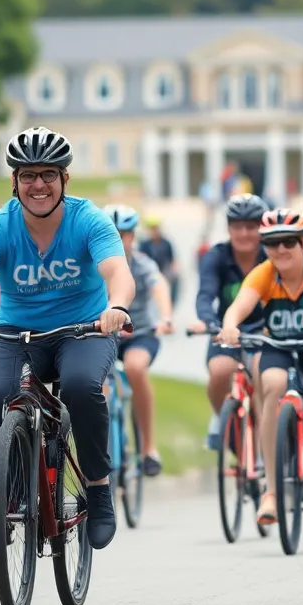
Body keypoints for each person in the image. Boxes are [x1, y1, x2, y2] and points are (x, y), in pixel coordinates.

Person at [0, 127, 135, 549]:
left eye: (48, 174)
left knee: (80, 386)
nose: (38, 184)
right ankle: (2, 498)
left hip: (84, 329)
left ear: (64, 180)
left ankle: (97, 487)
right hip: (16, 332)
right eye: (27, 175)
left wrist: (117, 306)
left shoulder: (88, 219)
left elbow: (118, 272)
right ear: (14, 182)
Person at [217, 208, 303, 524]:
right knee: (273, 388)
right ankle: (272, 491)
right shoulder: (264, 273)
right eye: (272, 243)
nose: (280, 250)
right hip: (278, 347)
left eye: (289, 242)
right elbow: (237, 308)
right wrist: (230, 326)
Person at [188, 193, 269, 450]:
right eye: (237, 227)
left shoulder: (272, 255)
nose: (244, 233)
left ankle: (262, 453)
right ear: (228, 228)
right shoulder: (217, 256)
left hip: (266, 331)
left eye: (251, 226)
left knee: (263, 377)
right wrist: (210, 323)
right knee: (221, 370)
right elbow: (205, 295)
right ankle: (222, 415)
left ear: (262, 228)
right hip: (226, 330)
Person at [105, 204, 175, 476]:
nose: (119, 241)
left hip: (139, 334)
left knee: (135, 368)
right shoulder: (91, 264)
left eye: (124, 235)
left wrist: (166, 317)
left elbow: (160, 287)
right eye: (112, 234)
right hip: (102, 335)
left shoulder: (143, 264)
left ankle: (148, 447)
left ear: (133, 236)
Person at [139, 215, 179, 306]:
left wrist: (174, 272)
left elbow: (172, 260)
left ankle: (171, 302)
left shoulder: (166, 243)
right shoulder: (145, 244)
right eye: (152, 229)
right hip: (149, 273)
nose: (154, 231)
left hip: (164, 271)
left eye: (155, 228)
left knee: (175, 279)